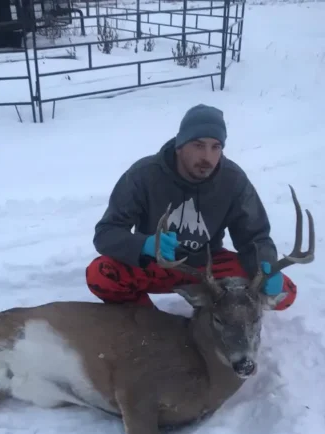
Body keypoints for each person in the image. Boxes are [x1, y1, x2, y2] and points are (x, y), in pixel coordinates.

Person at [86, 104, 297, 310]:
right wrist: (144, 245)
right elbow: (106, 233)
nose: (207, 157)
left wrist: (265, 264)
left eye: (216, 147)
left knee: (285, 291)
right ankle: (147, 321)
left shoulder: (233, 180)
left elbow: (255, 236)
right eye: (198, 145)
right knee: (101, 274)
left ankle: (224, 311)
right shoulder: (143, 175)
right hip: (155, 264)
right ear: (180, 146)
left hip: (208, 267)